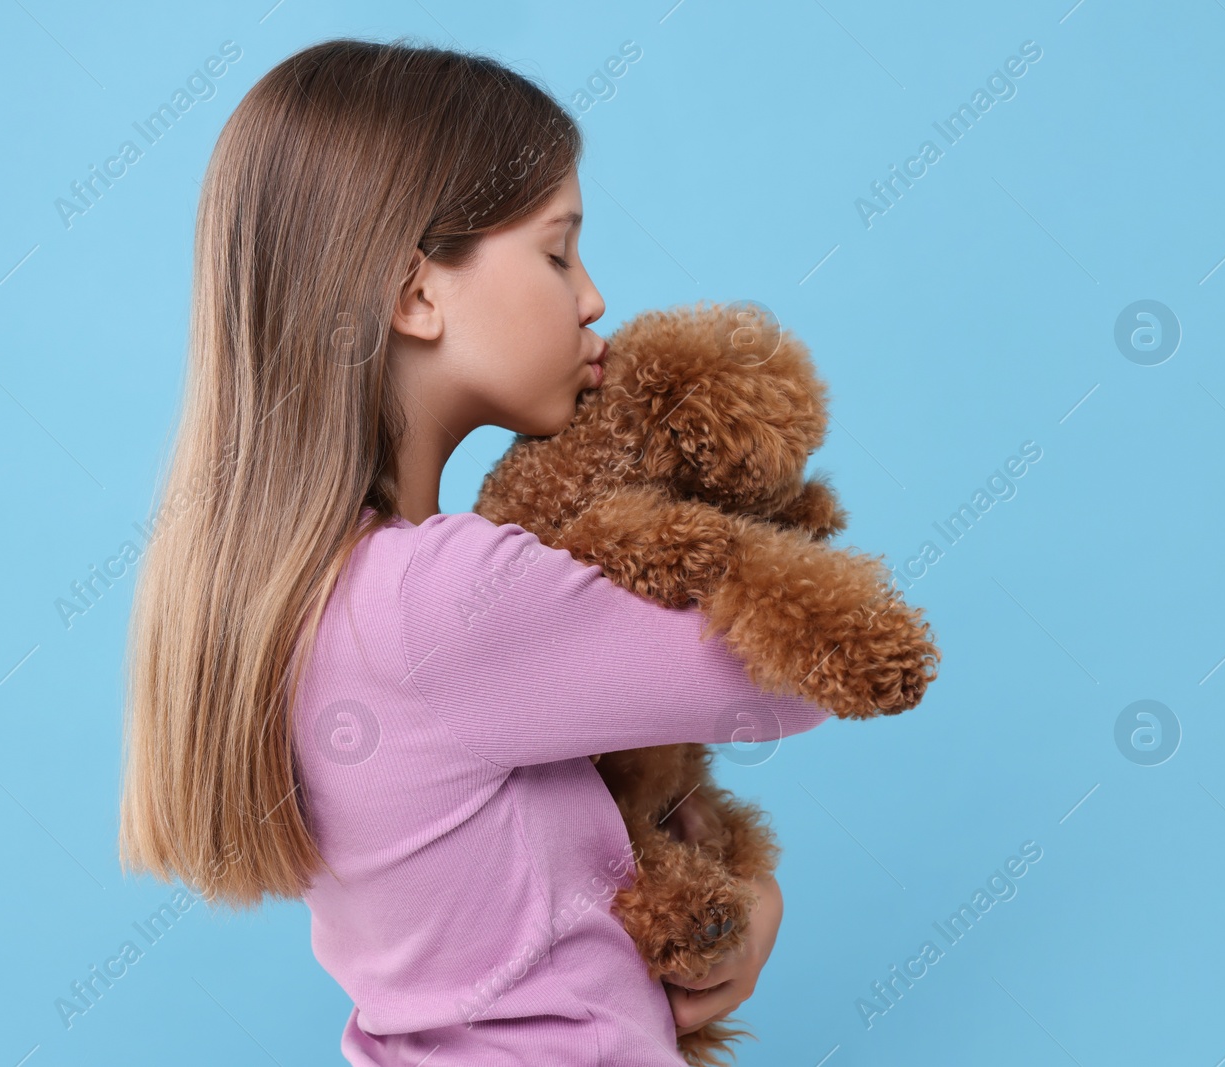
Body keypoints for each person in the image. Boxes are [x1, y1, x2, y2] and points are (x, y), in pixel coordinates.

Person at [118, 35, 834, 1065]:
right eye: (556, 251)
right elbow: (784, 679)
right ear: (415, 294)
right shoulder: (444, 594)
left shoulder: (317, 594)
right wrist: (756, 901)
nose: (591, 298)